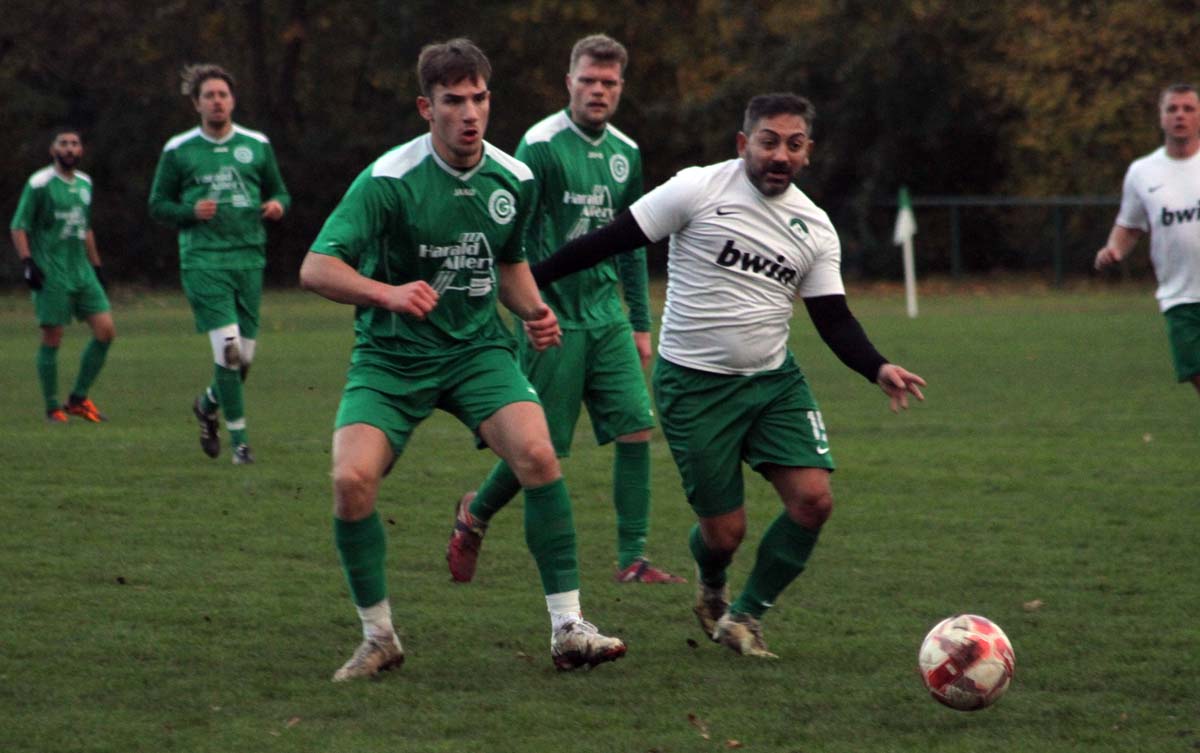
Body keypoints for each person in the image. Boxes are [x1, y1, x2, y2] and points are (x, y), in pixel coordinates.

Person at [531, 93, 926, 658]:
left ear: (808, 152)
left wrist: (878, 366)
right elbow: (607, 241)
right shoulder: (697, 189)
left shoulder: (815, 228)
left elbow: (833, 319)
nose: (779, 155)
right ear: (744, 144)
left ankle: (744, 617)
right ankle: (712, 584)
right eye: (768, 141)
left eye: (793, 144)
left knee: (813, 500)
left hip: (773, 383)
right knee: (725, 534)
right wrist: (527, 281)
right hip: (693, 387)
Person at [298, 38, 626, 681]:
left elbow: (505, 260)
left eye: (478, 98)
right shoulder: (388, 180)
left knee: (537, 454)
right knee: (350, 482)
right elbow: (315, 267)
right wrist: (386, 293)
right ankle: (379, 637)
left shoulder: (515, 178)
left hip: (478, 350)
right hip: (391, 358)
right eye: (453, 101)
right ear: (427, 107)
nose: (469, 113)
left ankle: (568, 629)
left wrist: (533, 310)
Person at [447, 34, 683, 586]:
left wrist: (640, 323)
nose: (598, 91)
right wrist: (527, 313)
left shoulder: (627, 152)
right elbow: (514, 241)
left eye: (609, 83)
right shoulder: (541, 146)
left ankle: (633, 558)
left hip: (607, 317)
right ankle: (474, 514)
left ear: (621, 88)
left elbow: (632, 238)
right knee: (540, 447)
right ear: (568, 82)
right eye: (588, 80)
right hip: (552, 316)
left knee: (635, 427)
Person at [148, 63, 291, 465]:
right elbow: (158, 205)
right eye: (208, 95)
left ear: (232, 100)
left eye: (222, 94)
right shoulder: (178, 149)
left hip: (248, 257)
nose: (216, 101)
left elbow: (280, 190)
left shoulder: (256, 144)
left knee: (242, 360)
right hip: (203, 260)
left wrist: (279, 204)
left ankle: (207, 404)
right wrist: (190, 210)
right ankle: (241, 444)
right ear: (196, 103)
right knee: (228, 352)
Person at [1095, 82, 1200, 398]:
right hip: (1179, 297)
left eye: (1188, 108)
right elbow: (1129, 225)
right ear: (1161, 117)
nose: (1179, 115)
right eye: (1172, 109)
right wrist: (1113, 249)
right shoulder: (1143, 172)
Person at [11, 127, 115, 424]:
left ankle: (78, 399)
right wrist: (28, 262)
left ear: (81, 151)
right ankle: (52, 407)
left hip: (81, 271)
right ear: (53, 150)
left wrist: (97, 267)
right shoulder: (40, 183)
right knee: (53, 336)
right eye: (63, 143)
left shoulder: (85, 183)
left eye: (74, 144)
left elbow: (86, 227)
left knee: (106, 331)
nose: (69, 148)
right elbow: (19, 225)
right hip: (52, 272)